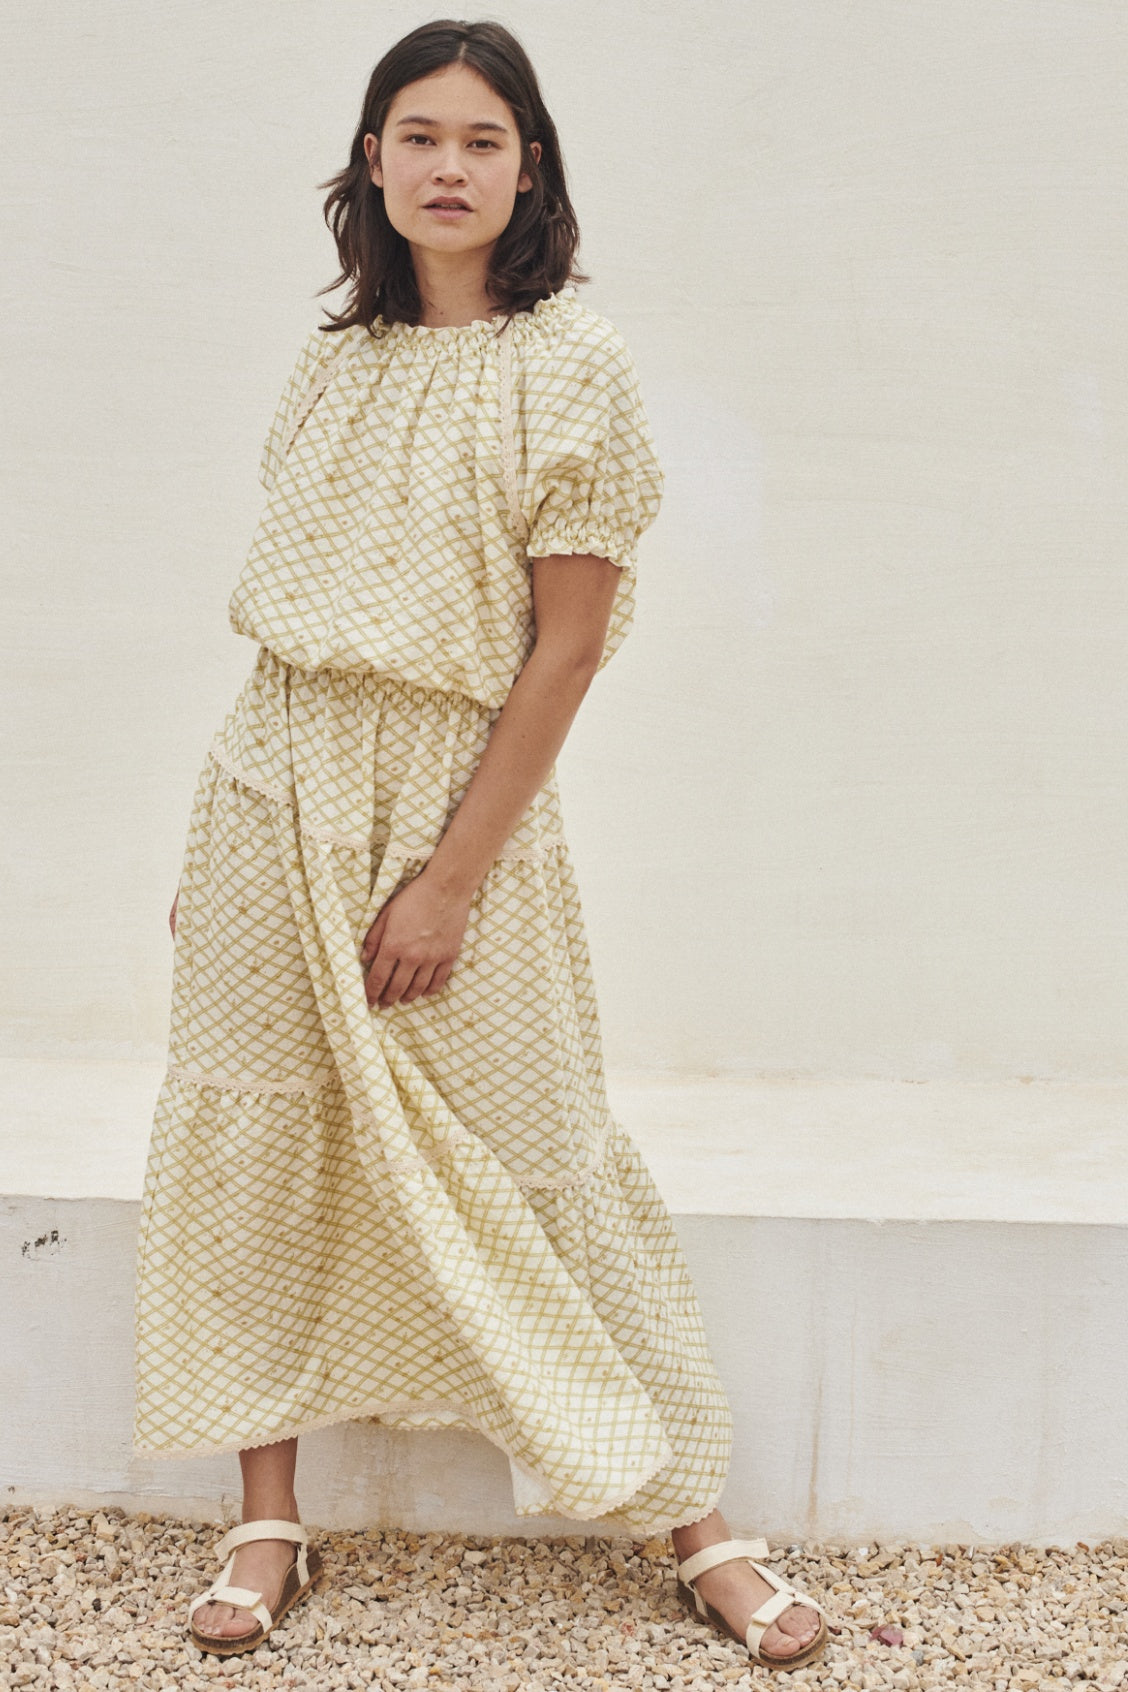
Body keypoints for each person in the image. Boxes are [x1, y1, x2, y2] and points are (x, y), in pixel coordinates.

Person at [131, 17, 834, 1672]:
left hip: (458, 797)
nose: (448, 167)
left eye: (483, 140)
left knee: (539, 1143)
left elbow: (566, 652)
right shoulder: (334, 364)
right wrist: (222, 844)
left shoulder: (570, 363)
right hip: (268, 788)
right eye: (419, 135)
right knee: (260, 1138)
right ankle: (266, 1518)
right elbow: (288, 632)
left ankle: (694, 1519)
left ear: (531, 170)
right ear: (371, 161)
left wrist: (449, 877)